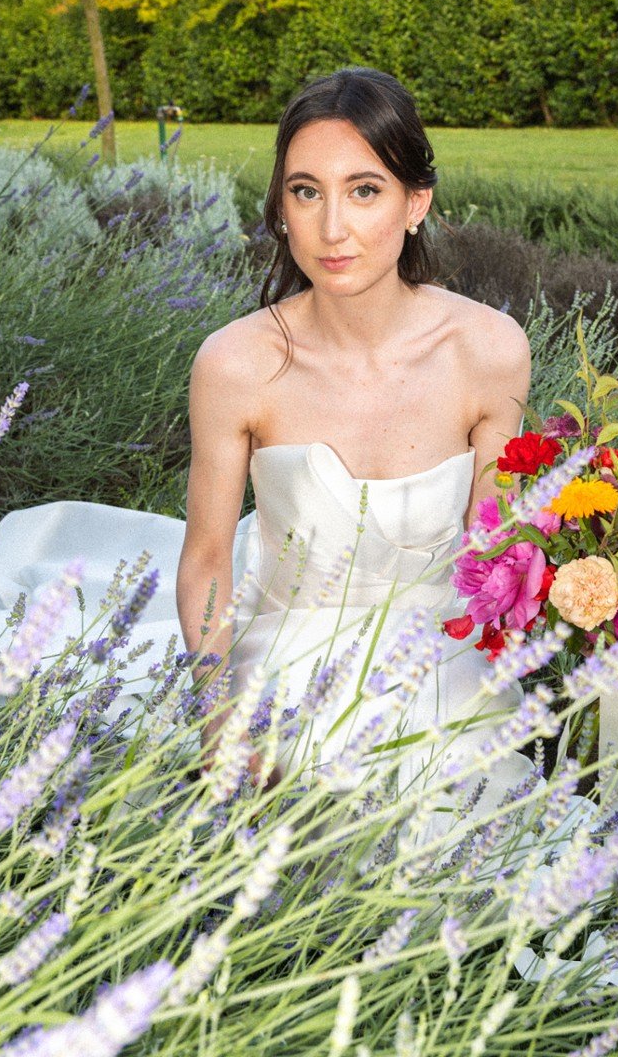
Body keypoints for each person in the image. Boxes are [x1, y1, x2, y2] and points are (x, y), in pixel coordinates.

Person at [175, 66, 534, 809]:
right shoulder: (235, 365)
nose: (331, 228)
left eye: (364, 190)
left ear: (416, 203)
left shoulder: (490, 351)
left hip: (444, 663)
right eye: (306, 192)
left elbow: (501, 552)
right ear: (281, 209)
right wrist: (216, 723)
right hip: (284, 660)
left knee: (458, 822)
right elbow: (209, 557)